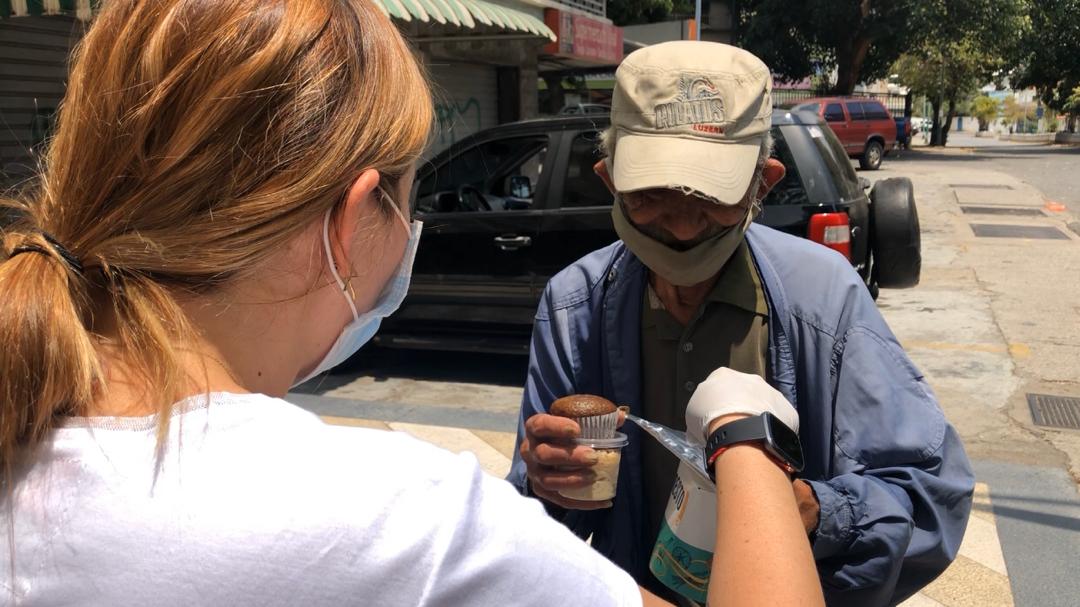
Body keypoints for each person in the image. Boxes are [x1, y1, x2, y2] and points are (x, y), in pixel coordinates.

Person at [0, 2, 825, 606]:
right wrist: (745, 441)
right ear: (355, 219)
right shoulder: (391, 522)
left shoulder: (28, 417)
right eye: (407, 197)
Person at [509, 41, 975, 606]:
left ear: (763, 184)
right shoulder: (573, 305)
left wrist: (810, 510)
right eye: (651, 194)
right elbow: (533, 521)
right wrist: (546, 484)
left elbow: (927, 495)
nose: (682, 226)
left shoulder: (824, 298)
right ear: (610, 181)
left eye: (711, 195)